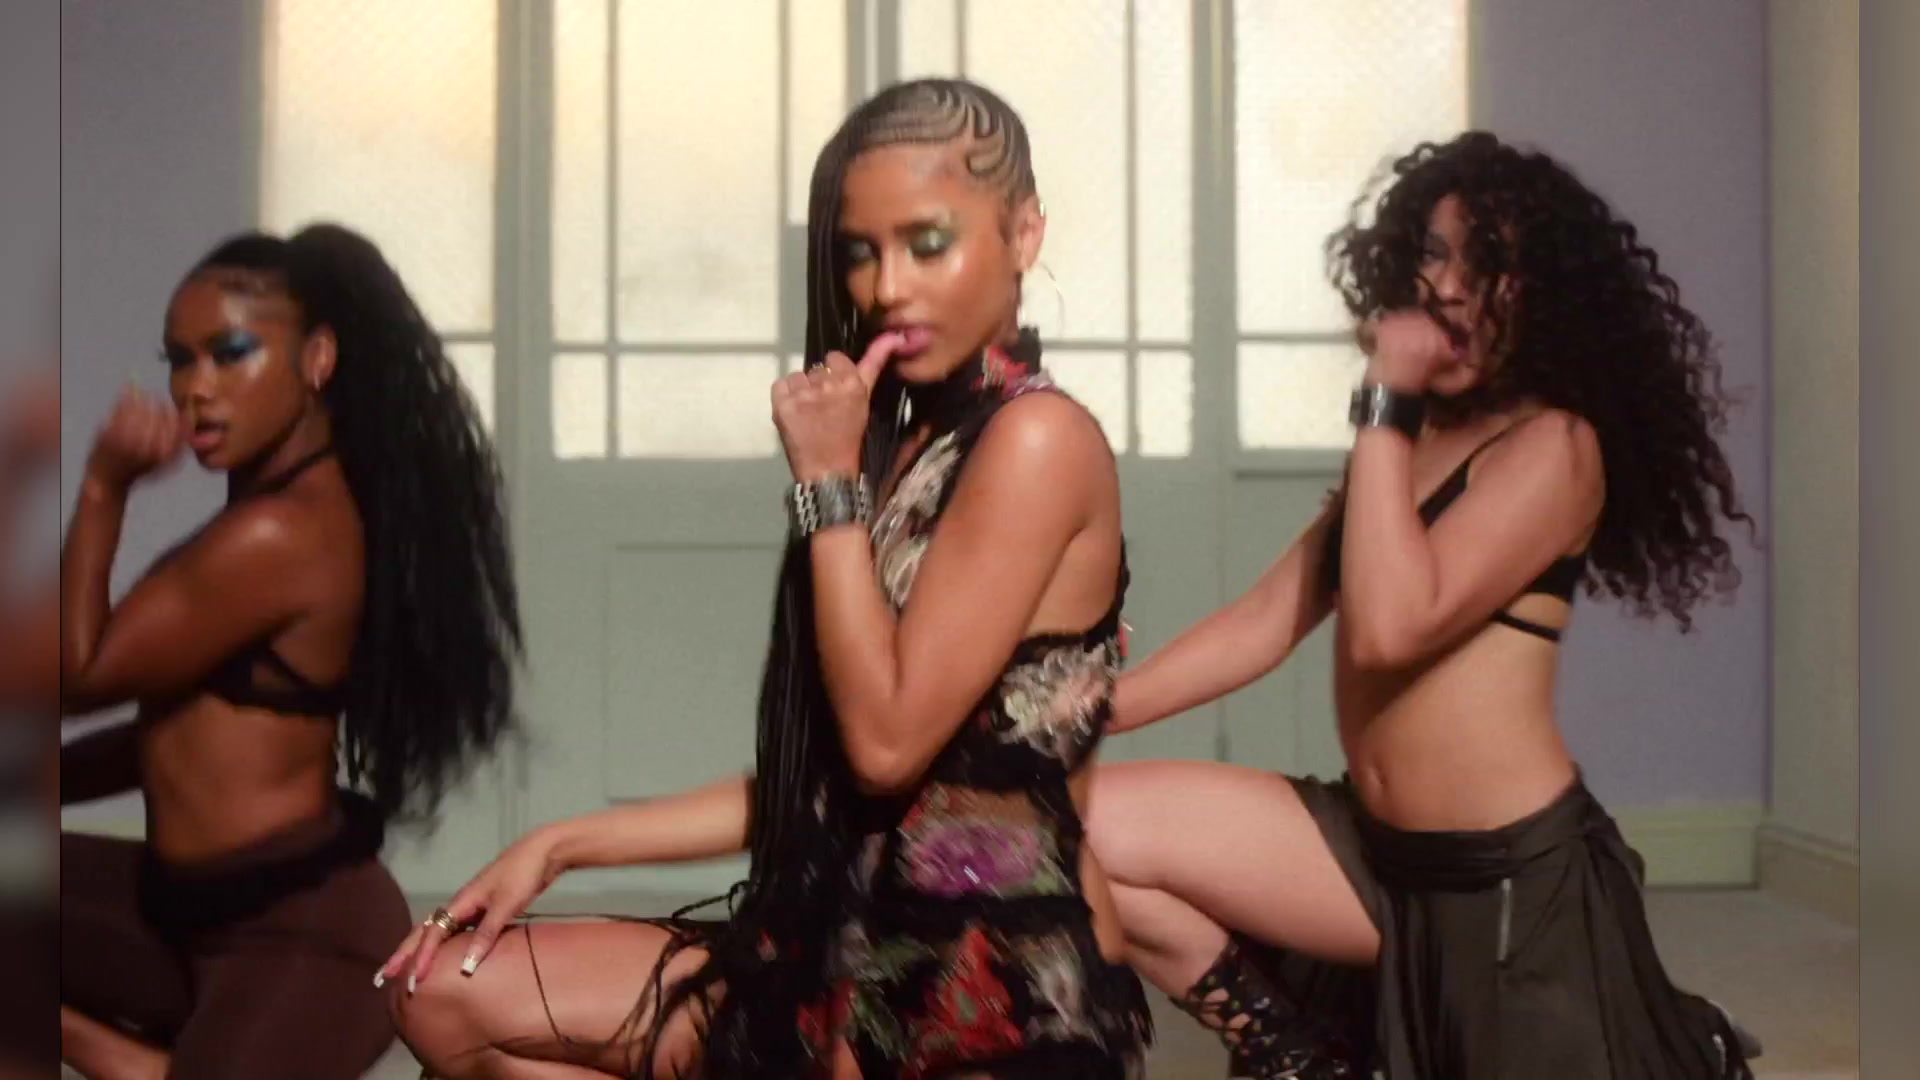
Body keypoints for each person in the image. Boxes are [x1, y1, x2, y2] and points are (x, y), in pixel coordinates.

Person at [382, 77, 1153, 1080]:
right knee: (440, 990)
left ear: (1024, 234)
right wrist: (562, 845)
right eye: (860, 252)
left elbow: (885, 747)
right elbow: (818, 783)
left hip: (996, 998)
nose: (887, 288)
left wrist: (827, 487)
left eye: (929, 244)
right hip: (835, 956)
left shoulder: (1039, 440)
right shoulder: (906, 443)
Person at [1083, 131, 1760, 1079]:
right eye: (1435, 254)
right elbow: (1267, 619)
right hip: (1367, 850)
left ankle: (1683, 1036)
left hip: (1507, 883)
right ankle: (1292, 1052)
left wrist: (1386, 400)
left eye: (1487, 265)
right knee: (1080, 825)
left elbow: (1393, 627)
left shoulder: (1555, 448)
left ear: (1544, 292)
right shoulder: (1410, 441)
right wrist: (1084, 713)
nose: (1446, 286)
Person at [58, 224, 523, 1078]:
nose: (195, 389)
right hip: (180, 915)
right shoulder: (271, 512)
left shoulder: (281, 534)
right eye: (180, 360)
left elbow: (76, 673)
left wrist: (101, 486)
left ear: (317, 358)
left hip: (301, 938)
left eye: (230, 353)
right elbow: (181, 735)